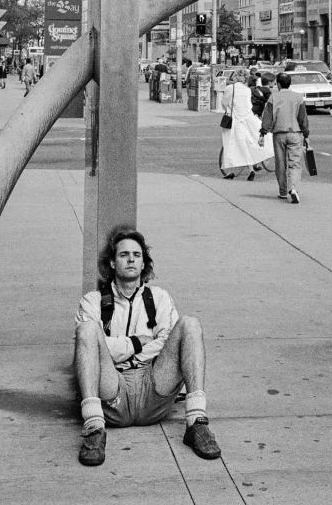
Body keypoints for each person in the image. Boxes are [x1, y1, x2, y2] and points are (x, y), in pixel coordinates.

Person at [74, 228, 221, 467]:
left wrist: (123, 350)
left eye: (137, 255)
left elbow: (167, 343)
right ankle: (94, 429)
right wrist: (136, 341)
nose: (131, 259)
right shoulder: (93, 301)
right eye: (123, 255)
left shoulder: (160, 298)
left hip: (153, 388)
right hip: (113, 389)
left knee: (190, 325)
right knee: (88, 331)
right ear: (112, 262)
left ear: (144, 263)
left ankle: (197, 423)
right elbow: (90, 347)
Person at [259, 72, 309, 203]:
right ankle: (293, 188)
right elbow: (303, 118)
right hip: (295, 134)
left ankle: (282, 191)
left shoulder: (273, 98)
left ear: (278, 84)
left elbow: (267, 117)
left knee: (280, 163)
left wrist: (262, 133)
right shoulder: (298, 97)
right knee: (295, 163)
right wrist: (306, 134)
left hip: (279, 134)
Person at [220, 69, 274, 180]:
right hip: (247, 119)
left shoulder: (230, 89)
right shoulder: (247, 90)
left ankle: (230, 171)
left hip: (234, 120)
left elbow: (224, 103)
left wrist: (228, 110)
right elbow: (248, 106)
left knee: (231, 144)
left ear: (235, 77)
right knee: (246, 145)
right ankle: (251, 169)